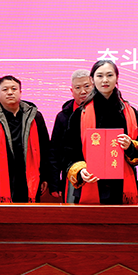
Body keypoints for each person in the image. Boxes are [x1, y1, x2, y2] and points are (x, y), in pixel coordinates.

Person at [63, 59, 138, 205]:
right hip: (90, 184)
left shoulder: (130, 113)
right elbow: (68, 152)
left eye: (109, 75)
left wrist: (130, 146)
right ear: (92, 79)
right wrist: (81, 171)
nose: (105, 80)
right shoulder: (79, 114)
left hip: (121, 188)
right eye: (100, 76)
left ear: (117, 78)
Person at [0, 75, 54, 204]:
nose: (10, 92)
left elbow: (45, 149)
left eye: (14, 89)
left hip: (30, 180)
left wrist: (45, 177)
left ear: (20, 92)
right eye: (5, 89)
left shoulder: (35, 117)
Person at [50, 69, 92, 199]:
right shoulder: (63, 117)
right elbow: (54, 151)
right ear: (71, 91)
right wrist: (54, 183)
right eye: (78, 88)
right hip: (72, 175)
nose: (83, 91)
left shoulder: (103, 113)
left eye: (87, 86)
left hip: (100, 176)